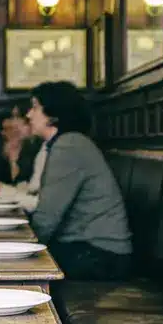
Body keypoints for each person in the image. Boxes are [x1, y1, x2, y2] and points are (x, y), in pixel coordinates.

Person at [26, 81, 132, 281]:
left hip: (100, 256)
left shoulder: (70, 145)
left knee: (16, 266)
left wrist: (24, 249)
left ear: (53, 114)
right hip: (90, 251)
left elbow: (47, 217)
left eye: (35, 107)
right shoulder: (69, 142)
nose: (29, 115)